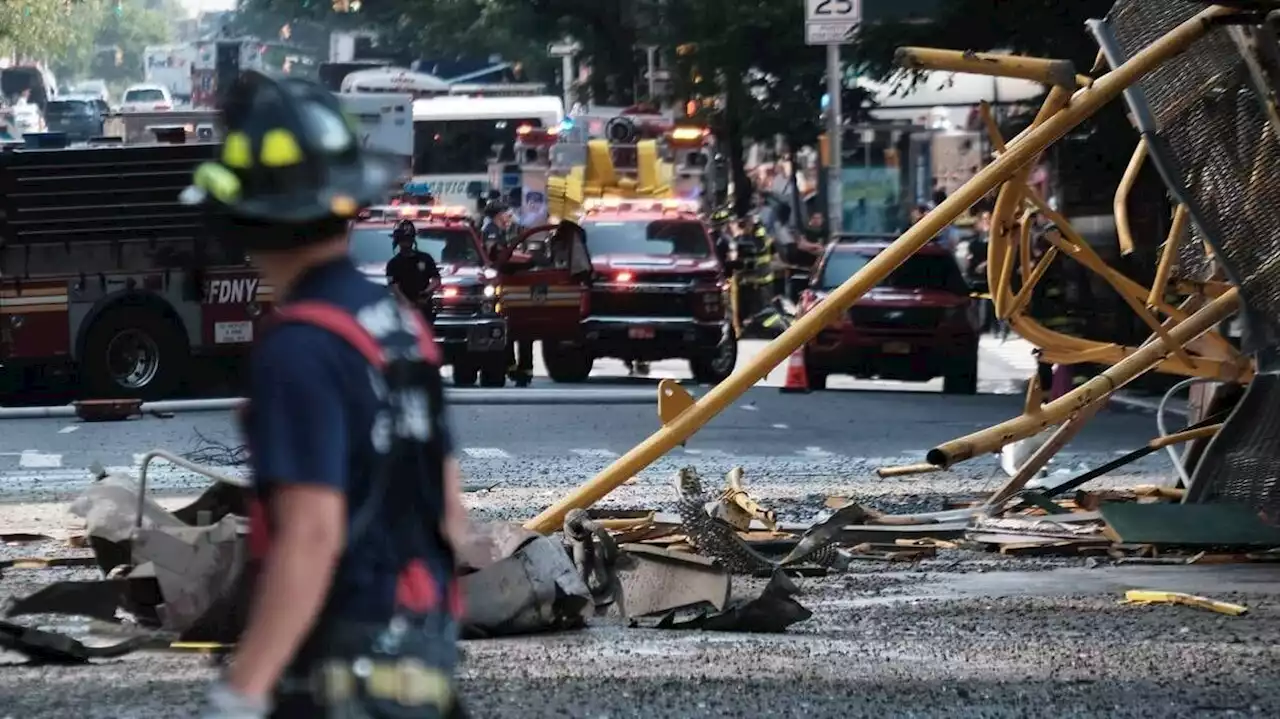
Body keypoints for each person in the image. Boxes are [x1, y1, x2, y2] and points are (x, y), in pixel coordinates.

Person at [184, 72, 468, 719]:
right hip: (421, 663)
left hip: (337, 675)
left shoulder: (297, 349)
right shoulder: (402, 328)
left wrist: (244, 687)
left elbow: (312, 534)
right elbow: (449, 514)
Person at [386, 218, 442, 325]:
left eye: (408, 238)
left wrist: (426, 293)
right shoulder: (393, 264)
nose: (406, 242)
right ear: (397, 240)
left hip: (424, 310)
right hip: (404, 312)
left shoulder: (425, 258)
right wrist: (408, 304)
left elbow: (436, 279)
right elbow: (394, 287)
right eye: (403, 239)